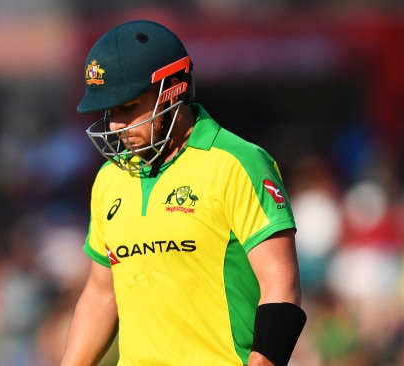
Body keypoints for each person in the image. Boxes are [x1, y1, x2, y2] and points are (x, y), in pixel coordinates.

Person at [61, 20, 306, 366]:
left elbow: (282, 288)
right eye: (109, 112)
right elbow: (102, 294)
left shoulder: (237, 162)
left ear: (172, 88)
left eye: (128, 107)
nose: (115, 126)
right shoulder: (109, 179)